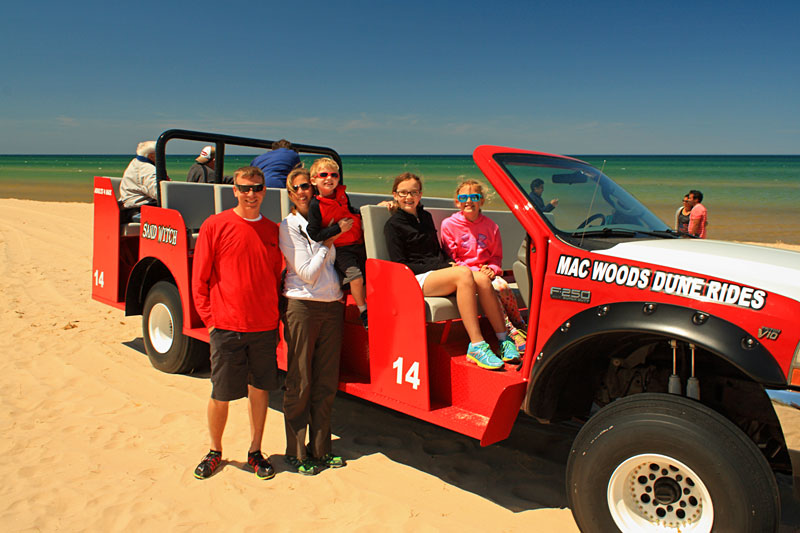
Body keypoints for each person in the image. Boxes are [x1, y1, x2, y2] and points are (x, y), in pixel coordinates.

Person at [191, 166, 283, 481]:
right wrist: (211, 321)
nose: (251, 194)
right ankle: (215, 451)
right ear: (234, 190)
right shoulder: (215, 225)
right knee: (221, 392)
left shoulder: (273, 230)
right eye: (244, 188)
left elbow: (275, 276)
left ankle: (256, 451)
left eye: (257, 188)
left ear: (264, 191)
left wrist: (274, 317)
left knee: (259, 390)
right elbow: (199, 278)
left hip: (264, 326)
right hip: (226, 326)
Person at [383, 172, 519, 370]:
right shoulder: (393, 225)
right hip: (414, 278)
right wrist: (443, 267)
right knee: (463, 273)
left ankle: (503, 339)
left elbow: (438, 252)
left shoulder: (425, 217)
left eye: (413, 192)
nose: (408, 197)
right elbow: (401, 264)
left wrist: (448, 263)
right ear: (395, 195)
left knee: (481, 278)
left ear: (420, 194)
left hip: (436, 273)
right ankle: (477, 345)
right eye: (403, 193)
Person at [279, 167, 347, 476]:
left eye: (310, 185)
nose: (306, 191)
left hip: (332, 306)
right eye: (299, 187)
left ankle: (321, 448)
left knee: (325, 382)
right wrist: (329, 241)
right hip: (303, 307)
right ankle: (295, 451)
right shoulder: (290, 225)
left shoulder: (325, 220)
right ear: (291, 193)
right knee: (301, 380)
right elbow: (306, 272)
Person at [439, 179, 526, 353]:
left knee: (502, 286)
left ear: (481, 201)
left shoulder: (491, 226)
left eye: (474, 197)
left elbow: (496, 257)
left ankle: (519, 324)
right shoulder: (449, 225)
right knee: (491, 288)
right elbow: (452, 259)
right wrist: (476, 272)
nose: (469, 201)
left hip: (487, 273)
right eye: (464, 197)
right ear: (457, 202)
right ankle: (509, 332)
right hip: (466, 275)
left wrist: (491, 269)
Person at [306, 157, 369, 328]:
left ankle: (376, 307)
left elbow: (350, 210)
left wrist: (367, 213)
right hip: (342, 249)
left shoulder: (342, 195)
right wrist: (338, 229)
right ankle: (363, 311)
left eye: (334, 175)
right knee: (356, 278)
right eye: (323, 174)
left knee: (373, 276)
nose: (329, 178)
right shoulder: (315, 205)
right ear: (314, 180)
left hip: (359, 243)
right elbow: (314, 233)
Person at [119, 140, 159, 217]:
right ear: (151, 156)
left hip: (130, 207)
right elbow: (157, 193)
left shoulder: (135, 163)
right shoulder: (147, 169)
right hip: (139, 209)